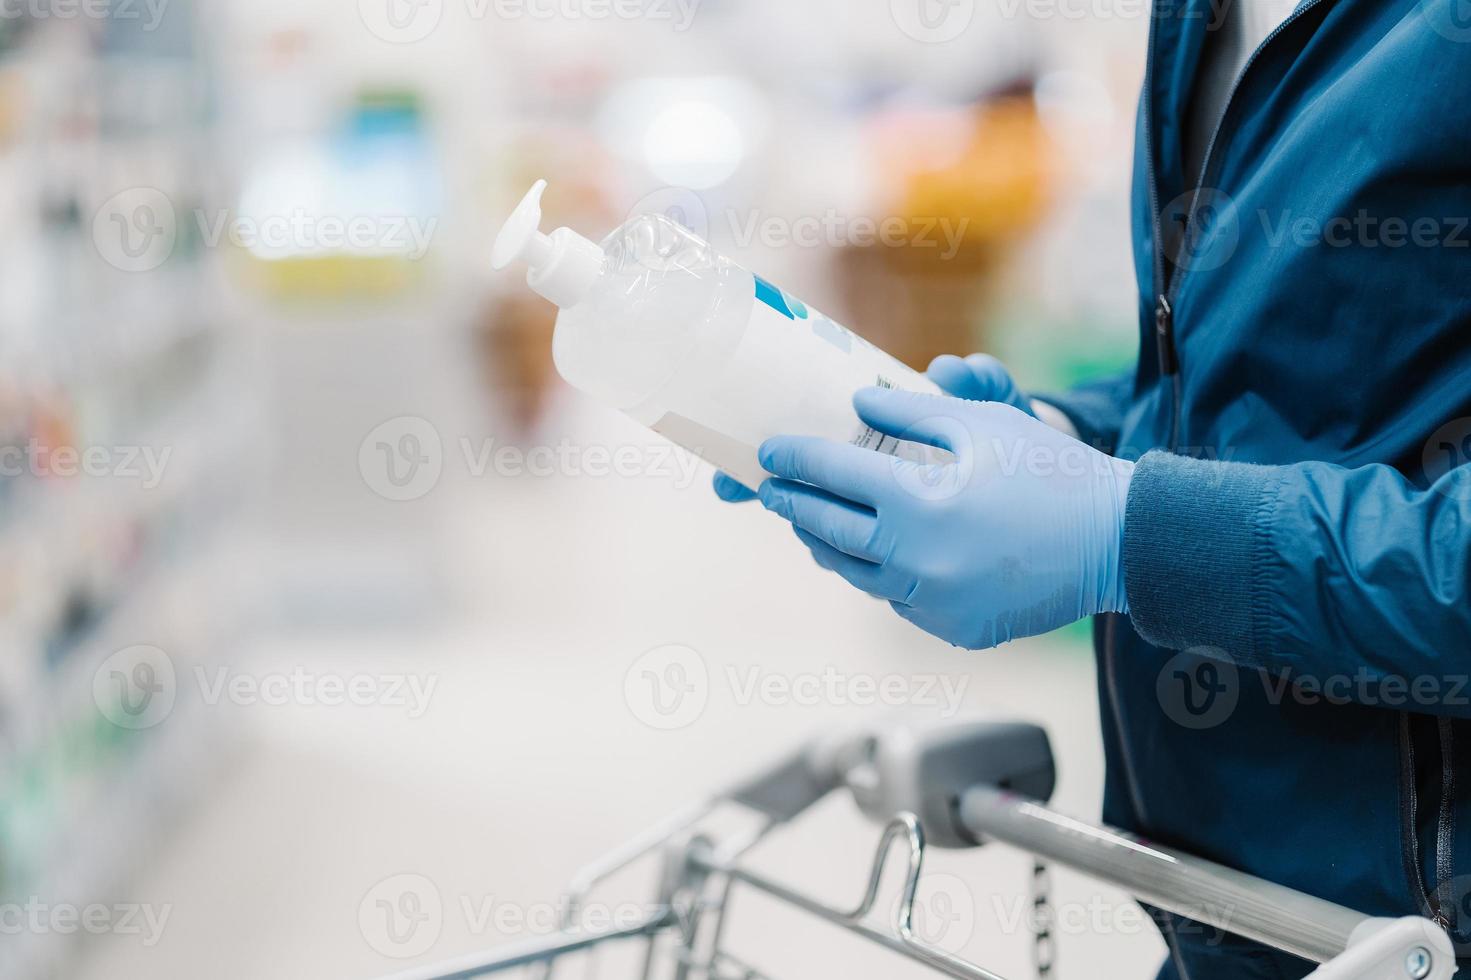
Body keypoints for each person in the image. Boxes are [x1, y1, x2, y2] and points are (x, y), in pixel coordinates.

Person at [716, 1, 1471, 977]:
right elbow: (1268, 376)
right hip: (1251, 923)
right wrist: (1063, 440)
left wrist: (1129, 531)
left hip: (1411, 940)